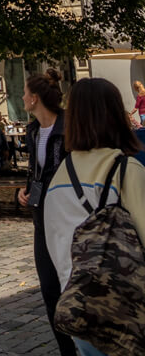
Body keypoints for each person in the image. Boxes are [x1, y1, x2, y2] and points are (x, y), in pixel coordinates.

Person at [44, 78, 145, 356]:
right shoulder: (125, 170)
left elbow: (57, 250)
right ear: (114, 114)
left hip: (82, 312)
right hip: (129, 316)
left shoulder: (58, 178)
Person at [17, 68, 72, 356]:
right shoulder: (33, 130)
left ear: (35, 98)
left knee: (72, 286)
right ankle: (66, 350)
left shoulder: (69, 127)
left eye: (25, 93)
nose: (22, 97)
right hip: (41, 218)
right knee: (49, 289)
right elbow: (36, 172)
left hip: (68, 219)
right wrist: (26, 193)